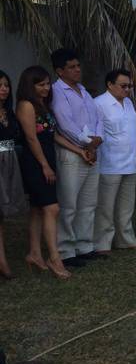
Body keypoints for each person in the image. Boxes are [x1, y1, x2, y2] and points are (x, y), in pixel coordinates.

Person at [16, 66, 87, 280]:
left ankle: (35, 253)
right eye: (41, 84)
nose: (47, 88)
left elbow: (54, 136)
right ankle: (54, 257)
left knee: (39, 209)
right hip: (35, 162)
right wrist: (44, 165)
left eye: (48, 83)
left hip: (48, 159)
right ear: (30, 85)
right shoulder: (26, 105)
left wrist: (79, 151)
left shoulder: (43, 105)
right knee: (52, 208)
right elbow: (31, 139)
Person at [49, 48, 103, 266]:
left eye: (78, 66)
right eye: (71, 67)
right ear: (60, 71)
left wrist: (97, 139)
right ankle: (66, 250)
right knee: (69, 204)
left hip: (91, 150)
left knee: (88, 203)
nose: (77, 70)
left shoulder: (83, 90)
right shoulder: (57, 92)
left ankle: (84, 245)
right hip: (71, 152)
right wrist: (87, 143)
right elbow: (65, 123)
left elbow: (97, 118)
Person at [93, 70, 136, 253]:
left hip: (130, 163)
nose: (127, 89)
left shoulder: (128, 103)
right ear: (110, 85)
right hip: (109, 163)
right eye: (123, 86)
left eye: (129, 86)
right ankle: (102, 243)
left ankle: (125, 240)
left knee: (126, 207)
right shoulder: (99, 104)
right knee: (105, 207)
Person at [0, 70, 28, 278]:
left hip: (9, 162)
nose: (3, 89)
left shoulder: (9, 112)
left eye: (6, 85)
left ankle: (2, 261)